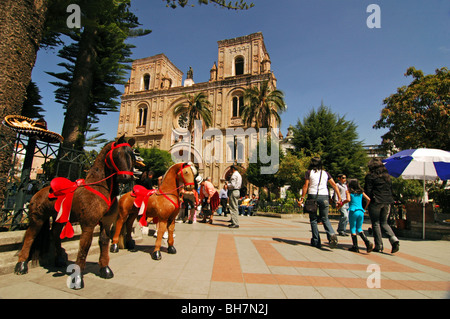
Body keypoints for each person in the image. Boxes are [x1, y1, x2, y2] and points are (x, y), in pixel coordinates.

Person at [298, 157, 342, 249]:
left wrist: (302, 198)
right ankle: (331, 234)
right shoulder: (326, 173)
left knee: (313, 219)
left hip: (312, 196)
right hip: (324, 196)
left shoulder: (309, 172)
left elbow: (306, 185)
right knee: (325, 218)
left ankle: (316, 240)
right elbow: (334, 185)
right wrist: (339, 198)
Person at [364, 158, 400, 253]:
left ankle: (379, 245)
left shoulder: (370, 176)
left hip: (376, 201)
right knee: (384, 222)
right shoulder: (387, 176)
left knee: (376, 223)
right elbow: (390, 189)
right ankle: (394, 240)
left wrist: (365, 204)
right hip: (387, 201)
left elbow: (368, 191)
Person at [341, 179, 373, 253]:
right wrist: (364, 208)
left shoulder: (349, 192)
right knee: (359, 228)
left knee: (352, 228)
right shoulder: (361, 192)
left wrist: (342, 202)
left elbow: (348, 199)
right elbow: (368, 199)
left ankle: (355, 246)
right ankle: (367, 242)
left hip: (353, 211)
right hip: (361, 211)